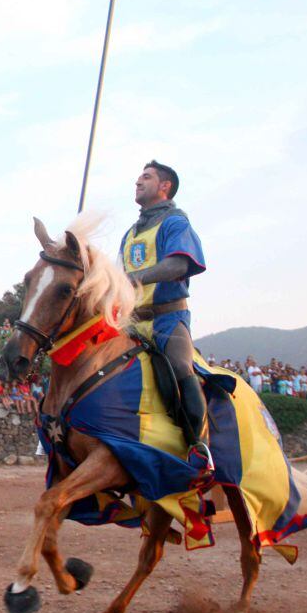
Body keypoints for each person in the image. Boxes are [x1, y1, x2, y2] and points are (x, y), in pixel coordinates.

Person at [120, 160, 208, 462]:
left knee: (180, 367)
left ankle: (197, 446)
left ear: (164, 186)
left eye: (146, 177)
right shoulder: (130, 233)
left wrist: (135, 279)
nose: (138, 181)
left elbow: (178, 265)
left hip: (167, 319)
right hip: (131, 321)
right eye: (138, 176)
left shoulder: (175, 222)